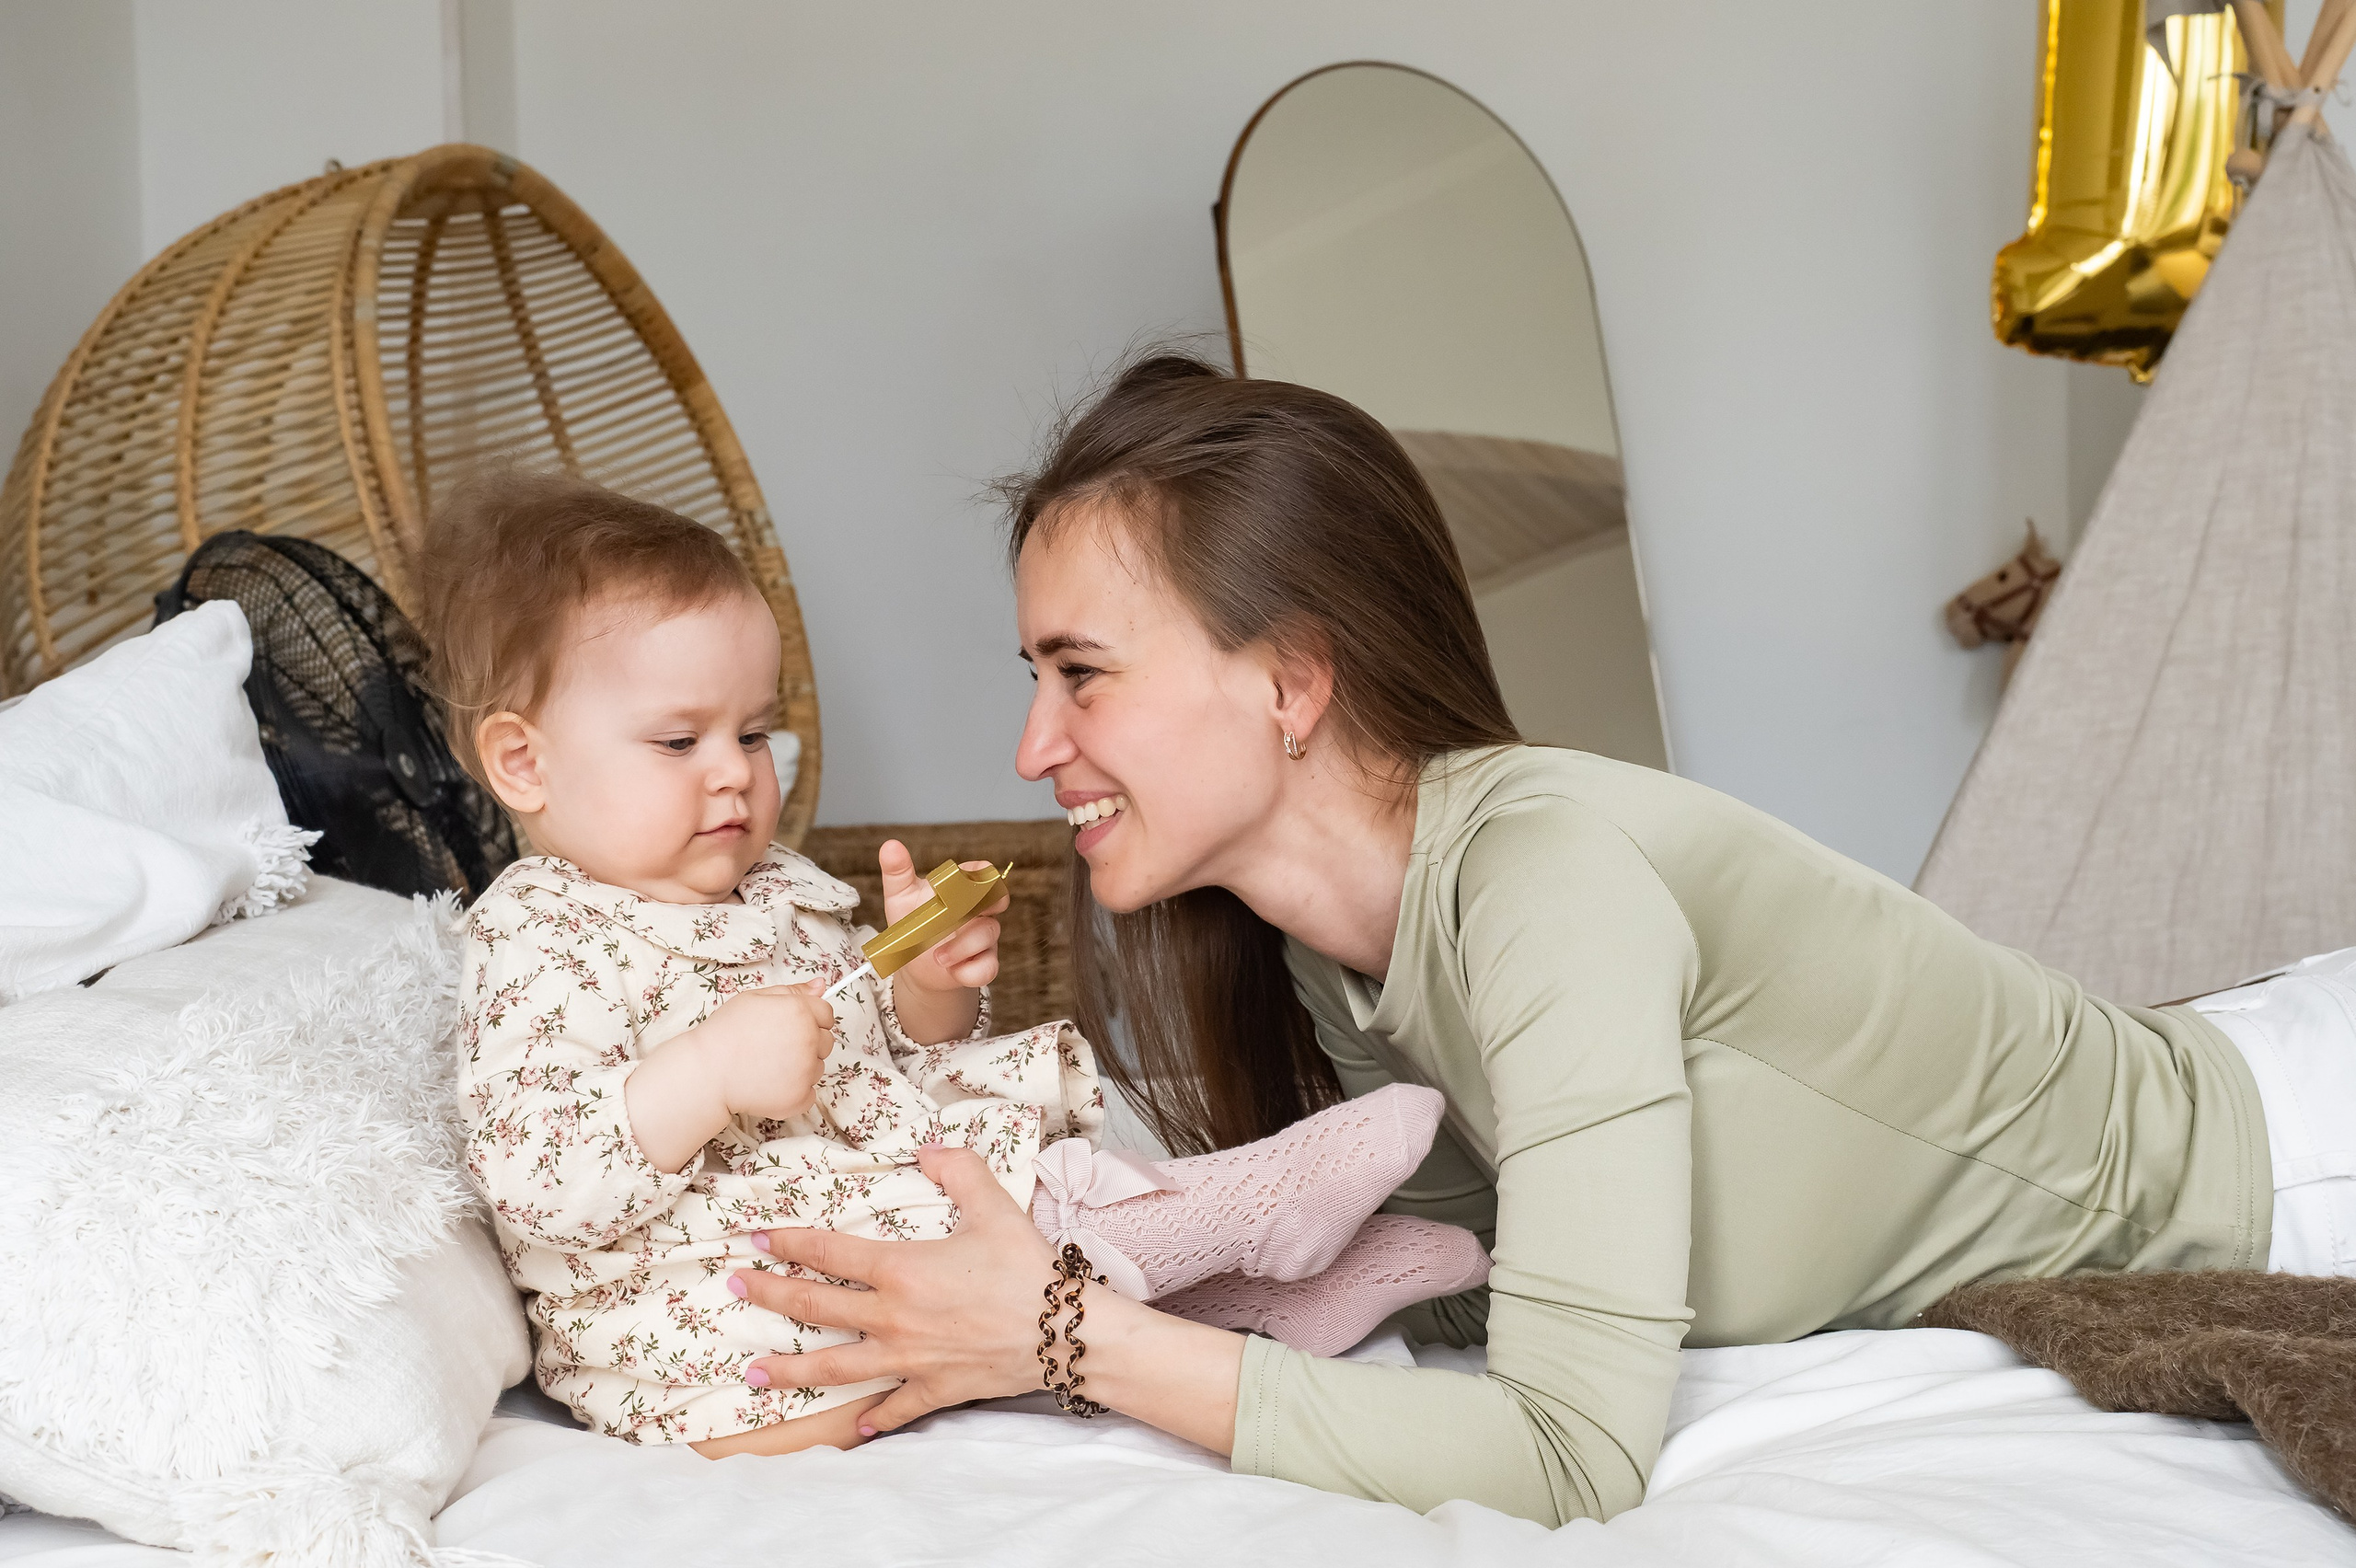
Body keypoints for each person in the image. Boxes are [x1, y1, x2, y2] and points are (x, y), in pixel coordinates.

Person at [725, 354, 2352, 1527]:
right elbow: (1433, 1286)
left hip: (2295, 1159)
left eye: (1082, 673)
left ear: (1291, 682)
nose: (1031, 745)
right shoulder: (1331, 950)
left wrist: (1071, 1334)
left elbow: (1574, 1453)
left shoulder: (1545, 879)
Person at [416, 471, 1488, 1459]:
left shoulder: (773, 888)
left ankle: (1269, 1304)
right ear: (525, 762)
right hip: (718, 1334)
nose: (733, 777)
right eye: (677, 743)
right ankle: (1231, 1206)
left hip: (868, 1293)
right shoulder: (539, 939)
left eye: (752, 735)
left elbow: (879, 1072)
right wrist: (703, 1076)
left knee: (987, 1210)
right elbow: (534, 1176)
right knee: (1017, 1206)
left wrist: (928, 991)